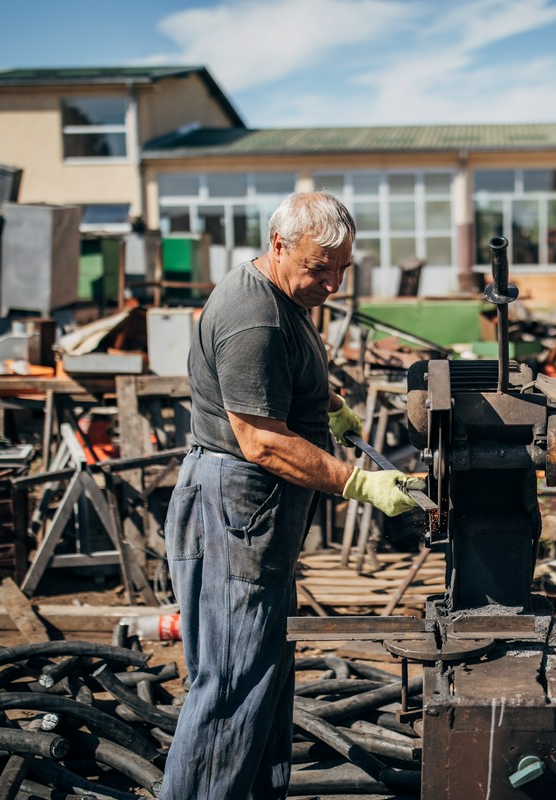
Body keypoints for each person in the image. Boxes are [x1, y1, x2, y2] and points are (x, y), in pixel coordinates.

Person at [161, 191, 422, 799]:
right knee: (230, 684)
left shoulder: (284, 292)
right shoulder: (254, 316)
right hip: (236, 509)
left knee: (266, 676)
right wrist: (359, 482)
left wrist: (326, 406)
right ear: (278, 245)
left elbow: (279, 375)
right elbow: (260, 442)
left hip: (253, 515)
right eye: (318, 268)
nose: (331, 283)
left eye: (342, 269)